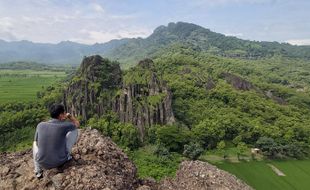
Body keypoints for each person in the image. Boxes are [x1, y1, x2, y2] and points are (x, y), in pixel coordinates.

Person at [33, 103, 80, 178]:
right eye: (64, 113)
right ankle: (67, 155)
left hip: (42, 163)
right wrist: (70, 116)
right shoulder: (65, 125)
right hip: (59, 162)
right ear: (61, 115)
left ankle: (37, 170)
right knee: (76, 130)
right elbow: (77, 124)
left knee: (35, 142)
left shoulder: (40, 125)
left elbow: (37, 142)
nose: (65, 114)